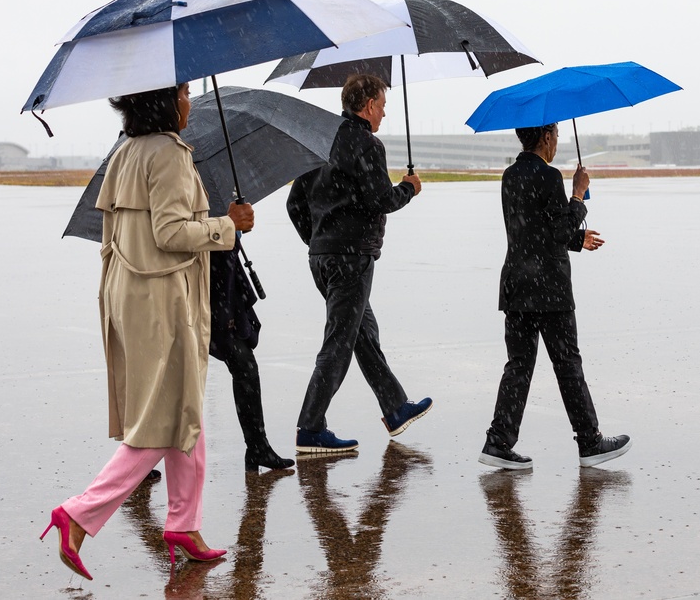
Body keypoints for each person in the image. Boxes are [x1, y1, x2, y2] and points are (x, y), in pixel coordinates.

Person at [40, 82, 255, 580]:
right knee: (164, 417)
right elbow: (172, 234)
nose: (188, 100)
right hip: (163, 298)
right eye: (182, 92)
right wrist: (228, 226)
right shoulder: (170, 156)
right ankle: (80, 513)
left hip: (130, 294)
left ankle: (184, 523)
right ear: (164, 101)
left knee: (185, 410)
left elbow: (119, 237)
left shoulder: (126, 152)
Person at [286, 73, 432, 453]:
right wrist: (409, 189)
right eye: (382, 106)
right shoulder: (366, 142)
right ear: (367, 106)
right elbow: (380, 199)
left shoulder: (318, 141)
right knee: (339, 342)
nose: (383, 114)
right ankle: (310, 427)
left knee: (362, 334)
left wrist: (319, 240)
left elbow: (295, 204)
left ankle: (396, 407)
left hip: (321, 258)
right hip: (352, 259)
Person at [478, 123, 631, 471]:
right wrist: (578, 195)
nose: (558, 143)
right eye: (557, 136)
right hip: (547, 288)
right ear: (546, 137)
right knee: (567, 364)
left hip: (516, 284)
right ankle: (590, 442)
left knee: (518, 366)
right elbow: (559, 229)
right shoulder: (548, 176)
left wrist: (578, 240)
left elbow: (536, 229)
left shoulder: (509, 175)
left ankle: (498, 441)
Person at [208, 242, 294, 471]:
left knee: (245, 366)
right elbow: (176, 236)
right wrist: (226, 226)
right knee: (171, 381)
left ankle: (257, 447)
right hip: (200, 289)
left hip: (221, 287)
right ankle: (139, 458)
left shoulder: (215, 208)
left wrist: (231, 229)